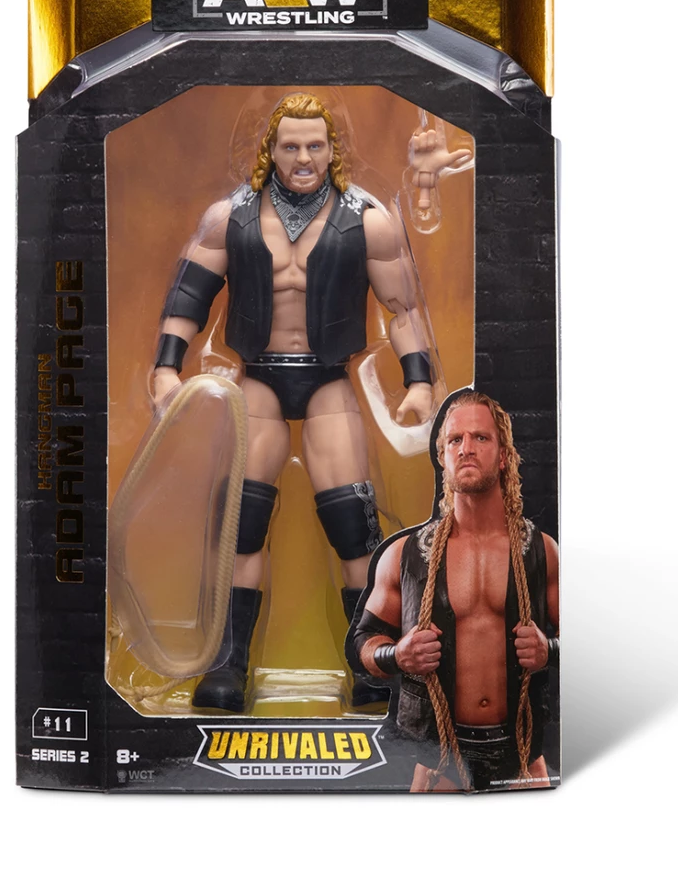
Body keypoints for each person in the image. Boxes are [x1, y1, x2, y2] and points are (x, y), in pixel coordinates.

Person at [153, 92, 469, 712]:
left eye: (314, 145)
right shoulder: (231, 217)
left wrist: (420, 382)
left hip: (328, 381)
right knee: (241, 529)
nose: (303, 158)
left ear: (332, 149)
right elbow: (189, 296)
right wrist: (166, 369)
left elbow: (402, 309)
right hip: (258, 381)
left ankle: (373, 664)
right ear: (270, 149)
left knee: (354, 529)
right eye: (291, 145)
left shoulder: (368, 219)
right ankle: (227, 666)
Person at [348, 388, 559, 791]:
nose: (466, 449)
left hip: (520, 757)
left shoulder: (541, 551)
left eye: (480, 437)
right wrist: (398, 654)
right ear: (442, 457)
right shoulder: (404, 554)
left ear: (503, 455)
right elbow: (363, 643)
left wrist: (547, 649)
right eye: (455, 440)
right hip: (439, 762)